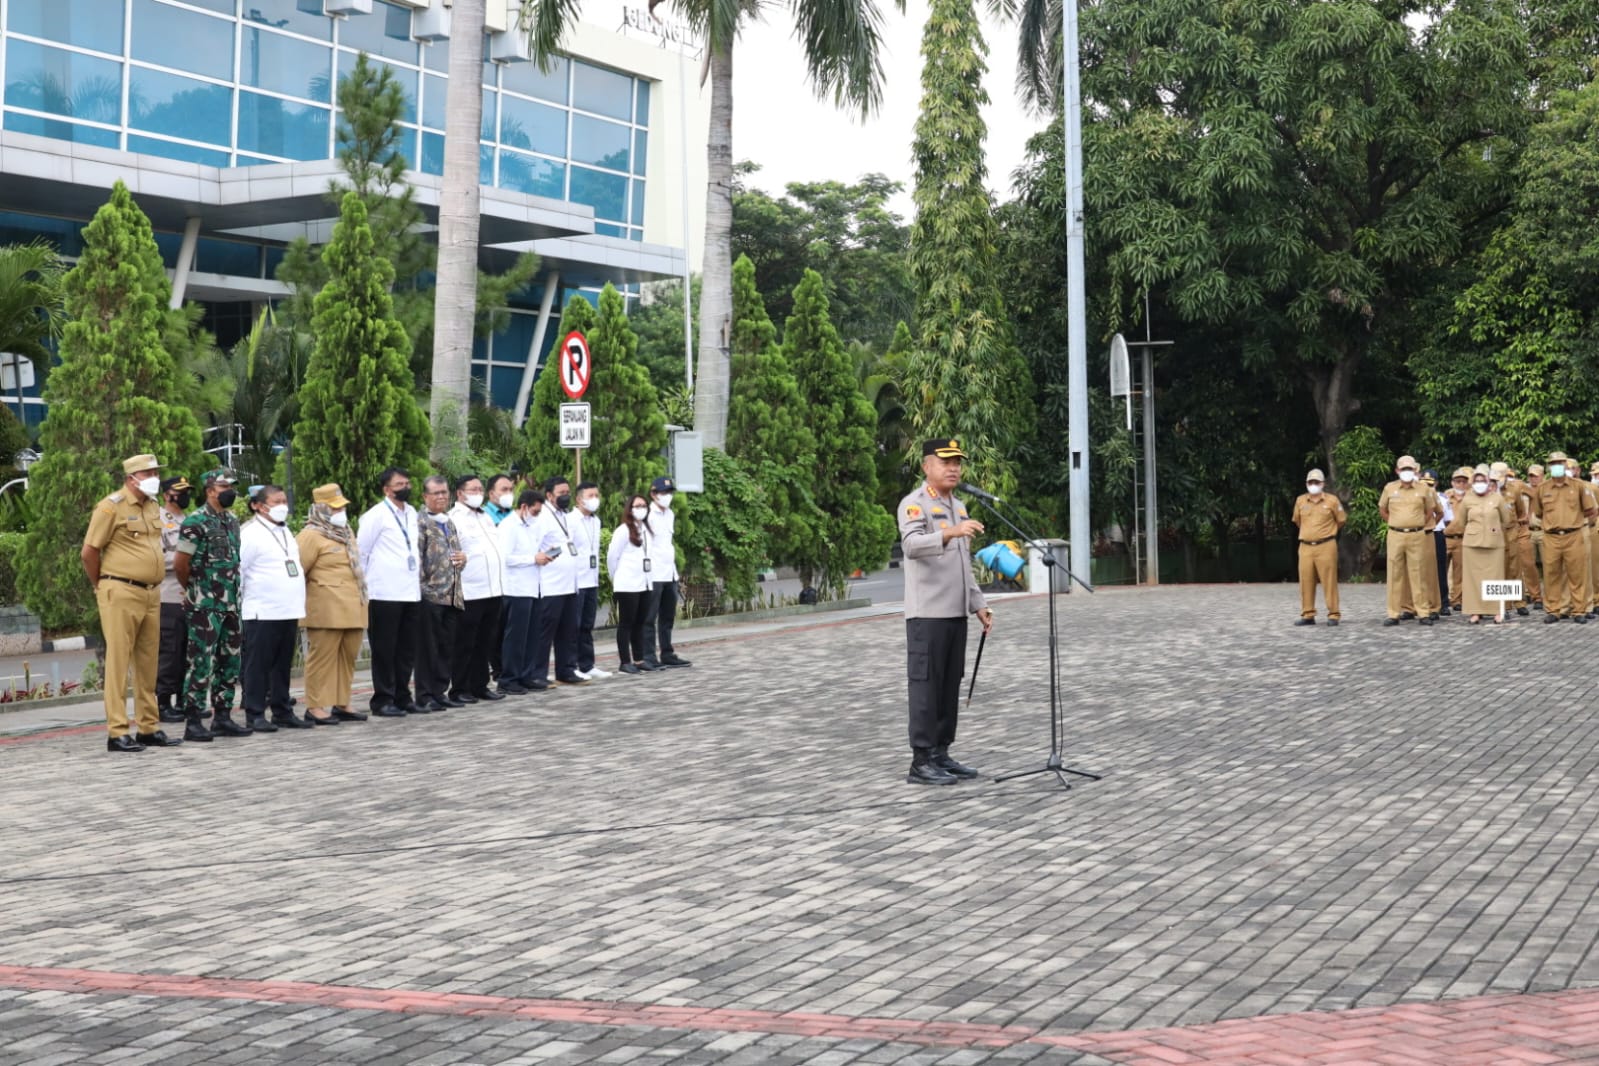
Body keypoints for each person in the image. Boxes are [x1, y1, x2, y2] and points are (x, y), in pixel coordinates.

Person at [897, 438, 994, 786]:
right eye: (945, 461)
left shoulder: (960, 507)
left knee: (950, 685)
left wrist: (978, 604)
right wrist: (949, 532)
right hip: (927, 615)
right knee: (926, 687)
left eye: (957, 462)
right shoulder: (914, 505)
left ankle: (941, 752)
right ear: (927, 466)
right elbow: (910, 546)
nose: (953, 468)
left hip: (956, 614)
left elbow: (963, 564)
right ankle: (920, 761)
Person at [81, 454, 181, 752]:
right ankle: (117, 731)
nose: (154, 476)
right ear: (131, 477)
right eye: (148, 472)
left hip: (152, 592)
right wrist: (101, 584)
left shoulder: (152, 507)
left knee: (148, 662)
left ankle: (148, 727)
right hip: (120, 590)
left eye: (155, 471)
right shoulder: (111, 506)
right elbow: (89, 552)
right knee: (118, 663)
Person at [175, 469, 245, 741]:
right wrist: (194, 590)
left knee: (230, 661)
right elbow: (182, 563)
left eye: (232, 485)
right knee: (201, 661)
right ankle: (193, 720)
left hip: (230, 603)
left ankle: (223, 716)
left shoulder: (232, 520)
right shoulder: (195, 522)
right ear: (210, 490)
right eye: (224, 485)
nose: (230, 490)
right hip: (204, 604)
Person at [239, 485, 309, 730]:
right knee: (258, 665)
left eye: (284, 501)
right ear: (258, 505)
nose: (282, 506)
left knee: (282, 664)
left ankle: (282, 709)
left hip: (288, 609)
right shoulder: (250, 533)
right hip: (262, 610)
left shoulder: (285, 530)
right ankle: (255, 713)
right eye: (276, 501)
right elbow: (240, 570)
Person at [297, 484, 367, 724]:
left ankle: (342, 702)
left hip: (353, 605)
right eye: (335, 508)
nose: (340, 512)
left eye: (342, 507)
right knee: (321, 658)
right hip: (326, 607)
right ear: (321, 508)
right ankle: (315, 706)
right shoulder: (310, 535)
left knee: (347, 657)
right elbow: (299, 573)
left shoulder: (345, 531)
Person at [358, 467, 421, 718]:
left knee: (406, 650)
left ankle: (402, 696)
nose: (405, 487)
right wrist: (363, 589)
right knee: (385, 649)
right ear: (386, 489)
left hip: (410, 591)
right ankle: (383, 699)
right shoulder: (376, 515)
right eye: (399, 484)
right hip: (384, 592)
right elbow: (362, 553)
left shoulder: (412, 513)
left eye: (407, 482)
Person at [448, 475, 507, 705]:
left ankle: (480, 685)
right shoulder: (454, 519)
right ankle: (460, 688)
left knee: (486, 641)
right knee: (465, 643)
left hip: (493, 589)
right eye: (473, 489)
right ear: (460, 493)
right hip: (470, 590)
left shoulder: (485, 517)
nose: (478, 492)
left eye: (480, 488)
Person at [415, 475, 467, 712]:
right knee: (429, 648)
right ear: (425, 496)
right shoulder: (421, 522)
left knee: (447, 646)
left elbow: (455, 555)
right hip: (431, 595)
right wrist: (424, 589)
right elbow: (418, 559)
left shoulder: (450, 522)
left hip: (453, 594)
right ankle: (425, 694)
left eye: (444, 492)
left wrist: (463, 559)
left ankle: (439, 690)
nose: (441, 497)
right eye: (436, 493)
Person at [533, 476, 586, 686]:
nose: (566, 496)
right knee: (545, 632)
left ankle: (566, 670)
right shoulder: (542, 517)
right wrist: (553, 552)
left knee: (568, 630)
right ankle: (538, 673)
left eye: (567, 492)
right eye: (561, 493)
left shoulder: (564, 515)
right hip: (551, 584)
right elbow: (537, 547)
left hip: (569, 584)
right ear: (549, 495)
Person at [1532, 451, 1596, 622]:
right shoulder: (1543, 488)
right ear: (1549, 467)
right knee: (1551, 574)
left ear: (1566, 465)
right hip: (1551, 536)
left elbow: (1590, 509)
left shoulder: (1578, 486)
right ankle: (1554, 610)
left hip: (1573, 534)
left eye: (1560, 463)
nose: (1557, 466)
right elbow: (1538, 512)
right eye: (1553, 463)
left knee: (1577, 574)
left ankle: (1579, 611)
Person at [1448, 466, 1513, 624]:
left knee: (1496, 578)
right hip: (1472, 544)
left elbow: (1507, 520)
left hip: (1494, 543)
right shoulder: (1467, 499)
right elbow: (1462, 521)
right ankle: (1475, 612)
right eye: (1476, 481)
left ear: (1488, 482)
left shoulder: (1497, 498)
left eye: (1482, 480)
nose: (1479, 483)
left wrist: (1492, 528)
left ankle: (1497, 610)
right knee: (1473, 579)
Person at [498, 489, 547, 694]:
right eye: (535, 511)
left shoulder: (531, 526)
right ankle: (508, 679)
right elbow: (505, 558)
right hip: (515, 589)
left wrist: (542, 556)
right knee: (515, 638)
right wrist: (532, 559)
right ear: (524, 507)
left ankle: (526, 675)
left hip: (533, 587)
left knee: (531, 636)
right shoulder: (508, 526)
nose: (537, 516)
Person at [1379, 455, 1437, 626]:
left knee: (1418, 573)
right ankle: (1393, 613)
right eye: (1403, 469)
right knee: (1394, 574)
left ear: (1415, 471)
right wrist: (1394, 522)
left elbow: (1430, 511)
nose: (1406, 472)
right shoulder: (1390, 488)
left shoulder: (1423, 489)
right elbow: (1382, 509)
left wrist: (1418, 523)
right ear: (1397, 471)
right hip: (1395, 534)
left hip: (1417, 535)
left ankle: (1423, 612)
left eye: (1409, 469)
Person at [641, 476, 691, 668]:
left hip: (669, 573)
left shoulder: (669, 514)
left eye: (669, 493)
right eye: (663, 493)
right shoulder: (647, 515)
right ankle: (648, 656)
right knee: (649, 618)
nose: (667, 496)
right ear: (653, 494)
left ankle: (667, 652)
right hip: (653, 574)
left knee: (667, 616)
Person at [607, 493, 660, 675]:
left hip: (644, 583)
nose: (641, 509)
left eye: (644, 505)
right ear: (630, 509)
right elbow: (612, 557)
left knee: (640, 622)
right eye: (637, 506)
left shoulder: (646, 529)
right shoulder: (623, 530)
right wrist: (617, 579)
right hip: (627, 584)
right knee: (626, 623)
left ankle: (639, 659)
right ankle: (624, 661)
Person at [155, 475, 192, 723]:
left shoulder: (188, 521)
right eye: (180, 491)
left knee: (187, 652)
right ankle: (162, 702)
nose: (185, 495)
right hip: (168, 594)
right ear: (167, 494)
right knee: (169, 650)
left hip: (190, 594)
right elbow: (159, 557)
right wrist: (186, 558)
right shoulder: (158, 519)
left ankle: (182, 698)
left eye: (187, 491)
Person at [1291, 468, 1345, 626]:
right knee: (1305, 581)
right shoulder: (1300, 500)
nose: (1313, 484)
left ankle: (1333, 614)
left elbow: (1341, 520)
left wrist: (1329, 532)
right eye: (1310, 482)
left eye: (1316, 482)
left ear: (1323, 484)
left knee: (1329, 581)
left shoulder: (1332, 500)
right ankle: (1308, 614)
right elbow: (1297, 520)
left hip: (1326, 545)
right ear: (1306, 483)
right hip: (1306, 546)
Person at [571, 481, 609, 680]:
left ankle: (587, 664)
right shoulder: (571, 520)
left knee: (587, 624)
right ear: (579, 499)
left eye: (597, 495)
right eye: (590, 495)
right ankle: (571, 664)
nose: (595, 499)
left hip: (591, 579)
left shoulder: (596, 521)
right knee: (573, 625)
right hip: (576, 581)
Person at [1420, 470, 1448, 617]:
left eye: (1430, 483)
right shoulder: (1417, 496)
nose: (1427, 486)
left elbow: (1446, 517)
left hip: (1436, 534)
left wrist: (1432, 524)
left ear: (1435, 483)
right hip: (1419, 536)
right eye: (1424, 483)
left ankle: (1443, 603)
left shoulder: (1441, 498)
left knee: (1439, 570)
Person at [1444, 468, 1470, 612]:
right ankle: (1442, 599)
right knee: (1441, 571)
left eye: (1463, 481)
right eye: (1457, 481)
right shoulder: (1446, 496)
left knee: (1459, 572)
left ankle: (1457, 600)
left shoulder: (1471, 497)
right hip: (1446, 537)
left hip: (1462, 538)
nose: (1460, 484)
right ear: (1452, 482)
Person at [1527, 463, 1545, 607]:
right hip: (1529, 531)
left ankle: (1548, 596)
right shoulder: (1524, 491)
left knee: (1549, 565)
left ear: (1542, 476)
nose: (1533, 479)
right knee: (1529, 565)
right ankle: (1534, 595)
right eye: (1531, 476)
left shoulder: (1548, 489)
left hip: (1545, 530)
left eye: (1536, 476)